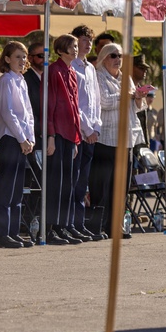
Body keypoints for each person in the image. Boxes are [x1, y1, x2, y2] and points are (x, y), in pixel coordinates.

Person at [90, 43, 147, 238]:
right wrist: (128, 95)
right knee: (103, 186)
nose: (117, 60)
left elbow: (138, 107)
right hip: (106, 138)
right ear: (104, 57)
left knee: (121, 186)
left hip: (127, 139)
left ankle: (116, 226)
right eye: (113, 55)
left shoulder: (126, 78)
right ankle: (98, 225)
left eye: (120, 56)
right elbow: (104, 102)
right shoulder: (98, 76)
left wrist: (138, 97)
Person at [0, 41, 36, 249]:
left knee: (17, 188)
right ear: (7, 59)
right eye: (18, 56)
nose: (22, 60)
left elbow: (28, 113)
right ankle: (1, 233)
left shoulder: (21, 81)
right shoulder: (7, 81)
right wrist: (21, 138)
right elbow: (8, 112)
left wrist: (30, 138)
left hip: (22, 140)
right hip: (10, 138)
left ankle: (13, 231)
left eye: (24, 56)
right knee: (6, 187)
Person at [45, 34, 83, 245]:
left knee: (68, 183)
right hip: (58, 133)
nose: (75, 49)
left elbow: (75, 107)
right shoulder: (54, 71)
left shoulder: (72, 72)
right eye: (71, 46)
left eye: (76, 46)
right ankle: (52, 228)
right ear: (61, 50)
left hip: (71, 134)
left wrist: (77, 139)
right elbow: (49, 105)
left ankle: (64, 225)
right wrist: (51, 135)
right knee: (57, 184)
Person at [69, 26, 102, 241]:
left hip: (92, 132)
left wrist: (97, 127)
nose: (88, 44)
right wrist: (87, 129)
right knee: (74, 179)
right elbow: (75, 102)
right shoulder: (71, 66)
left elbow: (95, 101)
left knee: (83, 183)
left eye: (90, 40)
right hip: (78, 131)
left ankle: (80, 223)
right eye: (83, 40)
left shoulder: (90, 68)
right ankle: (70, 223)